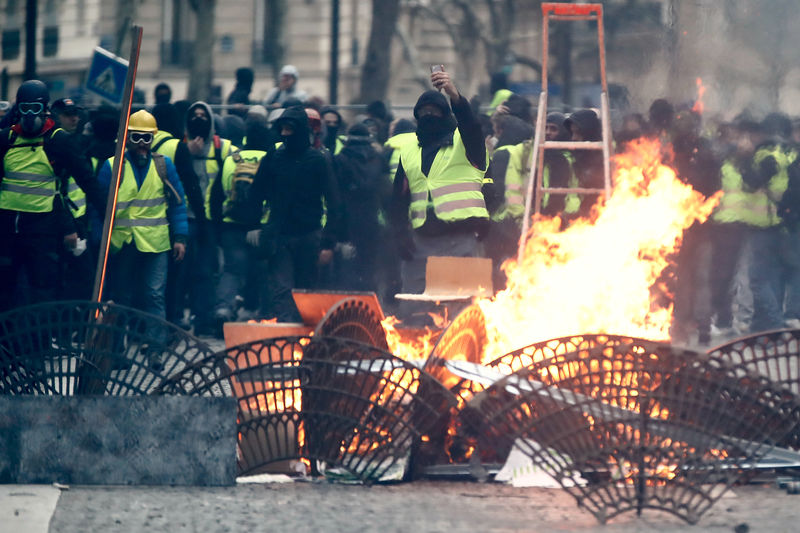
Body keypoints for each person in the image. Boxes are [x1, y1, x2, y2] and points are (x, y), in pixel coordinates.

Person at [391, 68, 489, 312]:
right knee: (414, 310)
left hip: (460, 239)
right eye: (423, 113)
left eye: (435, 112)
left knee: (461, 311)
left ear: (446, 114)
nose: (429, 116)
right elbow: (398, 199)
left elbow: (471, 125)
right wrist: (399, 233)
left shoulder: (464, 142)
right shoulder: (409, 150)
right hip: (419, 243)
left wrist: (454, 95)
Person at [0, 80, 104, 312]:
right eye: (24, 108)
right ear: (18, 110)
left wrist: (107, 213)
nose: (29, 115)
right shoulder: (6, 139)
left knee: (42, 289)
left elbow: (87, 180)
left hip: (42, 229)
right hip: (8, 229)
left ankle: (41, 343)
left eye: (35, 109)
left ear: (44, 109)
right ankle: (7, 345)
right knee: (6, 289)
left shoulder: (58, 140)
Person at [96, 110, 188, 350]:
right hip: (123, 242)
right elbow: (99, 207)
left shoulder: (163, 165)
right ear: (127, 138)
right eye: (136, 137)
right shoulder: (112, 167)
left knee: (154, 295)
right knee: (121, 296)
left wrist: (180, 237)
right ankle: (116, 350)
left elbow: (178, 204)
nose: (141, 144)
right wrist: (98, 240)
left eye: (146, 138)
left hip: (155, 243)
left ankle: (156, 348)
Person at [245, 106, 343, 321]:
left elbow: (334, 202)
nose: (285, 134)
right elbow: (256, 192)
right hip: (280, 235)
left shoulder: (318, 160)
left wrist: (328, 242)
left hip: (309, 236)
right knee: (282, 290)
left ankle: (303, 338)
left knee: (305, 291)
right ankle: (288, 338)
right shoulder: (274, 157)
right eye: (282, 129)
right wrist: (253, 225)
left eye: (290, 129)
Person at [178, 101, 236, 335]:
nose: (199, 119)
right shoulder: (179, 146)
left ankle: (203, 320)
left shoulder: (223, 148)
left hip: (210, 221)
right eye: (195, 115)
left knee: (205, 271)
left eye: (204, 116)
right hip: (185, 218)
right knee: (181, 272)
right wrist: (186, 154)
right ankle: (177, 320)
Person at [208, 116, 271, 331]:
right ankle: (257, 312)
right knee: (262, 269)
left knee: (232, 270)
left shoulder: (231, 159)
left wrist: (218, 228)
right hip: (262, 226)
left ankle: (223, 309)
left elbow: (216, 197)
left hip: (231, 225)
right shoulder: (271, 158)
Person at [150, 103, 206, 329]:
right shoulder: (177, 146)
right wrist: (201, 219)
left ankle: (140, 327)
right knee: (172, 278)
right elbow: (191, 185)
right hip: (170, 222)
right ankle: (170, 324)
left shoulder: (135, 141)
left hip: (138, 224)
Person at [745, 112, 798, 332]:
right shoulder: (789, 152)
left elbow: (753, 183)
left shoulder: (768, 153)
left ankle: (774, 325)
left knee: (759, 279)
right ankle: (762, 325)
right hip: (780, 223)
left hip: (764, 224)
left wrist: (744, 162)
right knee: (775, 277)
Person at [333, 123, 390, 291]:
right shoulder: (380, 159)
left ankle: (348, 307)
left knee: (347, 271)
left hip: (347, 222)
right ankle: (370, 306)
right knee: (370, 268)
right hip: (372, 220)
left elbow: (335, 197)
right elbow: (387, 194)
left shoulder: (340, 160)